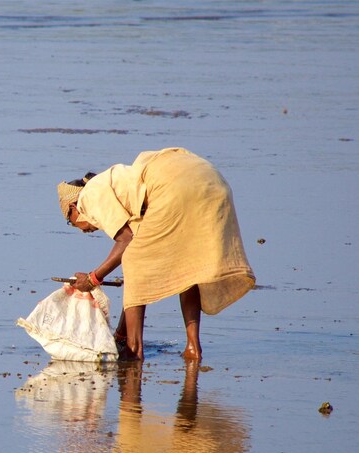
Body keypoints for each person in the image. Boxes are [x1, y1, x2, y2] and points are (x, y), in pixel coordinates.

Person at [58, 147, 255, 360]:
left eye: (71, 221)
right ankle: (192, 348)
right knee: (187, 268)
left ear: (73, 207)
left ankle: (133, 349)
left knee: (134, 261)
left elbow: (126, 241)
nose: (80, 228)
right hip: (211, 181)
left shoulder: (89, 195)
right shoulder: (124, 191)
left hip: (175, 186)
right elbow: (137, 271)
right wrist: (119, 333)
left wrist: (93, 278)